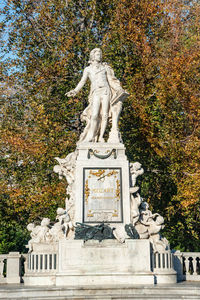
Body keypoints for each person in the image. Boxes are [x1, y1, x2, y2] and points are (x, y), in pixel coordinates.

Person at [66, 48, 129, 143]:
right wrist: (75, 91)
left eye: (100, 54)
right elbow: (82, 81)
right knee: (95, 115)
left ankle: (101, 137)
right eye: (97, 54)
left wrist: (118, 89)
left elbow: (110, 81)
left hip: (105, 91)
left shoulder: (105, 68)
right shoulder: (88, 69)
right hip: (96, 92)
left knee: (105, 115)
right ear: (93, 56)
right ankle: (91, 135)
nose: (99, 55)